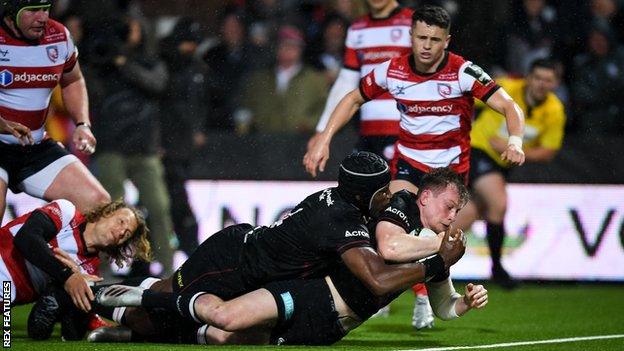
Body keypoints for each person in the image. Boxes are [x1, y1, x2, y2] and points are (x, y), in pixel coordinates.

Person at [304, 4, 526, 329]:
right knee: (390, 224)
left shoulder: (463, 72)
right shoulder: (392, 71)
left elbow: (509, 105)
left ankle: (425, 296)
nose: (426, 45)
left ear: (447, 41)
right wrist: (325, 137)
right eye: (421, 37)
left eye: (435, 39)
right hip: (408, 165)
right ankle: (383, 292)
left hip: (449, 175)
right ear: (411, 36)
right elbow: (352, 98)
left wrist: (515, 141)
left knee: (430, 236)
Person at [87, 168, 479, 346]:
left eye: (454, 214)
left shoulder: (420, 233)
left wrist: (463, 302)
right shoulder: (395, 214)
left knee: (224, 333)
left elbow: (444, 306)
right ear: (424, 198)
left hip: (317, 309)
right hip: (247, 262)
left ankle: (129, 324)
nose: (450, 219)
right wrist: (439, 258)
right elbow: (387, 256)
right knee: (210, 310)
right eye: (447, 208)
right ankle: (128, 300)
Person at [453, 58, 566, 288]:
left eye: (548, 80)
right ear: (528, 77)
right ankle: (498, 268)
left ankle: (420, 255)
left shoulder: (554, 111)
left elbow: (548, 152)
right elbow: (466, 96)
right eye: (538, 78)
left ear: (556, 83)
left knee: (467, 215)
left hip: (502, 164)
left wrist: (514, 149)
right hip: (476, 151)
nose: (541, 84)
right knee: (499, 203)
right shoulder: (506, 88)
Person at [0, 0, 110, 222]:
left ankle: (50, 255)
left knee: (99, 205)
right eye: (32, 11)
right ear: (11, 14)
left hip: (34, 147)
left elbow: (73, 80)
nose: (42, 17)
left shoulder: (59, 36)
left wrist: (82, 123)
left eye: (45, 9)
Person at [89, 15, 175, 276]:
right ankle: (102, 268)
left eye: (133, 28)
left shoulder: (151, 62)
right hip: (111, 145)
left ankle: (169, 270)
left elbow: (157, 85)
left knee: (158, 207)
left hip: (143, 147)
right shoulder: (101, 62)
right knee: (108, 208)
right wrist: (107, 58)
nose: (128, 33)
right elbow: (92, 93)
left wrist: (123, 63)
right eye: (124, 29)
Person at [308, 0, 413, 161]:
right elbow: (346, 83)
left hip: (406, 134)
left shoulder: (413, 23)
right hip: (367, 134)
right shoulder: (357, 28)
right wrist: (322, 131)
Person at [0, 198, 150, 307]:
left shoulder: (89, 271)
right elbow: (26, 238)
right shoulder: (67, 212)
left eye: (127, 235)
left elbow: (78, 318)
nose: (122, 232)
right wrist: (67, 275)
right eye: (121, 221)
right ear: (106, 212)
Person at [159, 17, 207, 257]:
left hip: (181, 147)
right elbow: (163, 106)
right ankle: (189, 248)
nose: (191, 48)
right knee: (170, 203)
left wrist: (197, 128)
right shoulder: (167, 65)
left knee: (170, 202)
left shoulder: (195, 69)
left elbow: (198, 105)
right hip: (167, 146)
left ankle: (179, 248)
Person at [236, 25, 327, 134]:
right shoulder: (259, 79)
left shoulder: (315, 79)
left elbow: (325, 108)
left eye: (293, 46)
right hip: (264, 142)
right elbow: (246, 108)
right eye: (284, 45)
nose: (288, 49)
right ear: (276, 48)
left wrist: (309, 124)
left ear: (301, 49)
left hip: (302, 141)